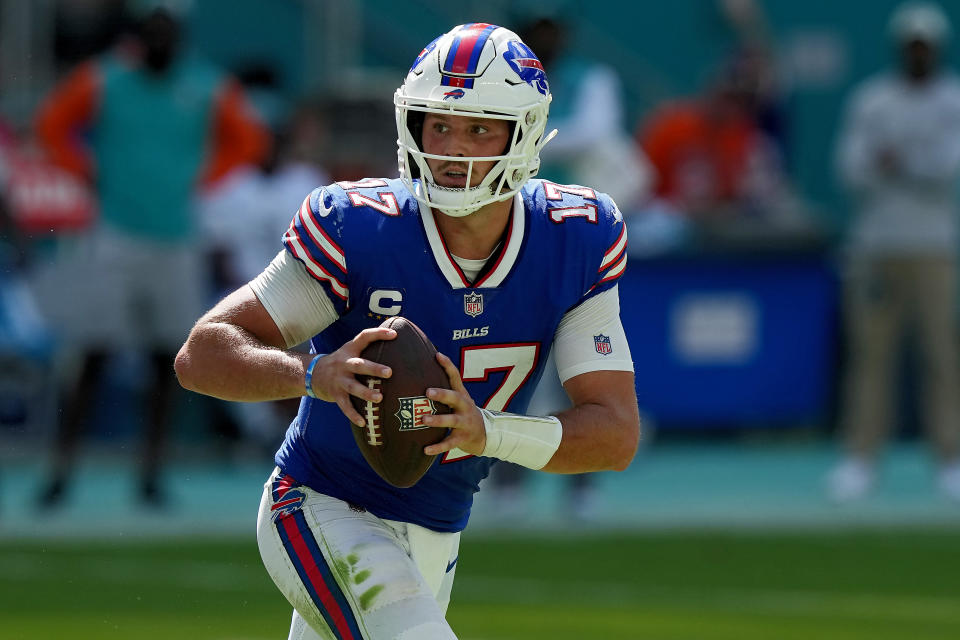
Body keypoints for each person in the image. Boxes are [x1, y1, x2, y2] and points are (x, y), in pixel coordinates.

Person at [175, 23, 639, 639]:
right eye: (438, 124)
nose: (451, 148)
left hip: (439, 524)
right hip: (323, 503)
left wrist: (489, 433)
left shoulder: (575, 236)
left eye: (479, 128)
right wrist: (312, 373)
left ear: (524, 133)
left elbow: (613, 433)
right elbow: (201, 353)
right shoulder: (359, 229)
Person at [33, 6, 269, 507]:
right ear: (138, 39)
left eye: (167, 35)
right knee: (93, 354)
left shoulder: (206, 85)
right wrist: (82, 169)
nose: (160, 44)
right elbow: (52, 124)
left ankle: (151, 474)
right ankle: (62, 470)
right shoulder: (104, 79)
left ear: (179, 40)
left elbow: (249, 139)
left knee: (168, 358)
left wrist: (204, 176)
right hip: (113, 233)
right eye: (152, 35)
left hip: (176, 235)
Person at [829, 1, 960, 502]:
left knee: (940, 356)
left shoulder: (951, 101)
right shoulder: (873, 100)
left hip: (933, 248)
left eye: (925, 46)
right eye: (911, 45)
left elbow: (944, 169)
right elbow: (852, 168)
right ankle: (860, 459)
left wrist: (897, 161)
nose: (918, 53)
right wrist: (904, 164)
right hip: (876, 247)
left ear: (938, 49)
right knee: (871, 357)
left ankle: (948, 458)